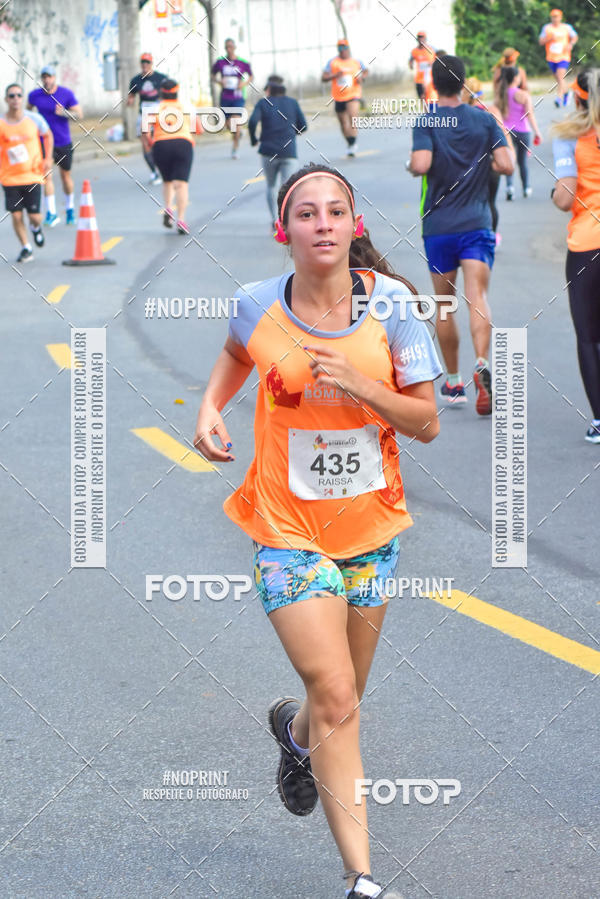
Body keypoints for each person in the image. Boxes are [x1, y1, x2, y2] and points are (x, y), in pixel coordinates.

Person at [193, 162, 442, 898]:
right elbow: (239, 353)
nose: (324, 223)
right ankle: (362, 879)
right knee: (338, 694)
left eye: (337, 211)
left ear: (354, 223)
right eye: (308, 213)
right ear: (286, 229)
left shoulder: (393, 306)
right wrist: (211, 406)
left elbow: (426, 420)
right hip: (285, 527)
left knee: (342, 697)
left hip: (369, 530)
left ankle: (296, 735)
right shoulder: (255, 305)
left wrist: (362, 383)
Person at [409, 55, 513, 414]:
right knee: (477, 296)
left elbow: (421, 164)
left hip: (439, 227)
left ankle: (453, 382)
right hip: (478, 223)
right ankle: (481, 362)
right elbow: (506, 164)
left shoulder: (427, 121)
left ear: (434, 85)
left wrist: (413, 165)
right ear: (465, 82)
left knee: (444, 304)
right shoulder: (484, 119)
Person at [551, 69, 600, 444]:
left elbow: (565, 198)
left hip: (587, 246)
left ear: (578, 98)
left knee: (589, 336)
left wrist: (556, 194)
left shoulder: (569, 136)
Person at [0, 83, 52, 262]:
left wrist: (48, 159)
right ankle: (26, 247)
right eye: (12, 96)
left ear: (22, 99)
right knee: (15, 214)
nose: (15, 99)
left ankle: (36, 228)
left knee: (35, 217)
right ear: (6, 99)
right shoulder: (1, 122)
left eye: (18, 95)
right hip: (9, 177)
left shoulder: (34, 119)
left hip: (32, 175)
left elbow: (48, 135)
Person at [248, 75, 307, 228]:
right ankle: (285, 220)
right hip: (289, 152)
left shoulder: (263, 103)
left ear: (269, 90)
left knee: (271, 186)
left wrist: (254, 139)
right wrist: (292, 134)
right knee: (287, 188)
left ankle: (274, 219)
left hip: (268, 152)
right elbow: (304, 126)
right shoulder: (293, 103)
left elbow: (253, 121)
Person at [27, 64, 82, 226]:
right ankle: (51, 212)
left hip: (63, 141)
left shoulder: (66, 94)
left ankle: (70, 209)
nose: (46, 80)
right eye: (44, 77)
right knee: (46, 176)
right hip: (43, 142)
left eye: (49, 77)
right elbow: (27, 112)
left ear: (54, 78)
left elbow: (79, 114)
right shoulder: (34, 96)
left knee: (65, 177)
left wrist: (64, 112)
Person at [462, 77, 514, 246]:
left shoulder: (461, 113)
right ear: (481, 93)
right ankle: (491, 237)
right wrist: (510, 155)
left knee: (468, 200)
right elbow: (504, 134)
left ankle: (470, 236)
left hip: (467, 165)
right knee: (490, 202)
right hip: (492, 164)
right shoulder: (491, 111)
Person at [148, 80, 194, 234]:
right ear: (177, 92)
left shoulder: (154, 108)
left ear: (161, 92)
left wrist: (150, 143)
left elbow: (146, 133)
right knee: (181, 184)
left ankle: (168, 208)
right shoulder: (186, 106)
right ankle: (181, 220)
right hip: (183, 144)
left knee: (167, 181)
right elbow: (198, 128)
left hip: (161, 145)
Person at [496, 66, 542, 200]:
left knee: (510, 159)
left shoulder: (501, 93)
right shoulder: (523, 95)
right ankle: (526, 188)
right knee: (522, 162)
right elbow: (530, 115)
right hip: (523, 132)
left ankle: (510, 187)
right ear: (516, 78)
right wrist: (537, 132)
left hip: (507, 132)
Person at [322, 39, 368, 156]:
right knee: (343, 123)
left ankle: (353, 143)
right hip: (338, 96)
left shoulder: (356, 62)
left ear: (348, 49)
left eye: (344, 48)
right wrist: (335, 75)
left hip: (353, 94)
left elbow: (366, 71)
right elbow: (324, 77)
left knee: (353, 118)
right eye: (340, 48)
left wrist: (361, 77)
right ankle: (350, 142)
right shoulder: (333, 62)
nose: (342, 51)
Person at [127, 52, 168, 184]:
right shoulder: (135, 80)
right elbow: (131, 96)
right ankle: (153, 172)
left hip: (157, 116)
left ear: (151, 64)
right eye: (143, 63)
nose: (145, 65)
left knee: (158, 143)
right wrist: (130, 101)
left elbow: (169, 93)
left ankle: (163, 167)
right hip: (143, 114)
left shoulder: (161, 78)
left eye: (147, 63)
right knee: (145, 144)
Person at [211, 38, 253, 159]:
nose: (229, 49)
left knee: (235, 120)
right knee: (228, 124)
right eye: (227, 47)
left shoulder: (242, 62)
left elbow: (251, 76)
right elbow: (213, 75)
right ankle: (238, 134)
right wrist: (219, 81)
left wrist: (243, 84)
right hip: (225, 96)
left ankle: (235, 148)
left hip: (238, 96)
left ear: (234, 47)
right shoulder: (220, 62)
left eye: (231, 46)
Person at [539, 8, 578, 107]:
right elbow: (541, 41)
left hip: (563, 56)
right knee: (559, 79)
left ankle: (558, 98)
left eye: (557, 17)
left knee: (560, 77)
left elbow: (574, 37)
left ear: (560, 17)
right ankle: (566, 93)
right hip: (551, 57)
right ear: (551, 18)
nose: (555, 19)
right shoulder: (547, 28)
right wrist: (549, 38)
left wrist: (571, 44)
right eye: (553, 17)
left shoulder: (566, 27)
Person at [409, 31, 436, 100]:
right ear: (417, 39)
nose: (420, 39)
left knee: (431, 98)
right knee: (422, 98)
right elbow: (410, 61)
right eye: (419, 37)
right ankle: (426, 110)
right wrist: (411, 65)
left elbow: (439, 58)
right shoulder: (414, 51)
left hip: (430, 79)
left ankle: (431, 110)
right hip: (419, 80)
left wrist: (433, 63)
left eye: (422, 37)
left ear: (425, 39)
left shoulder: (431, 49)